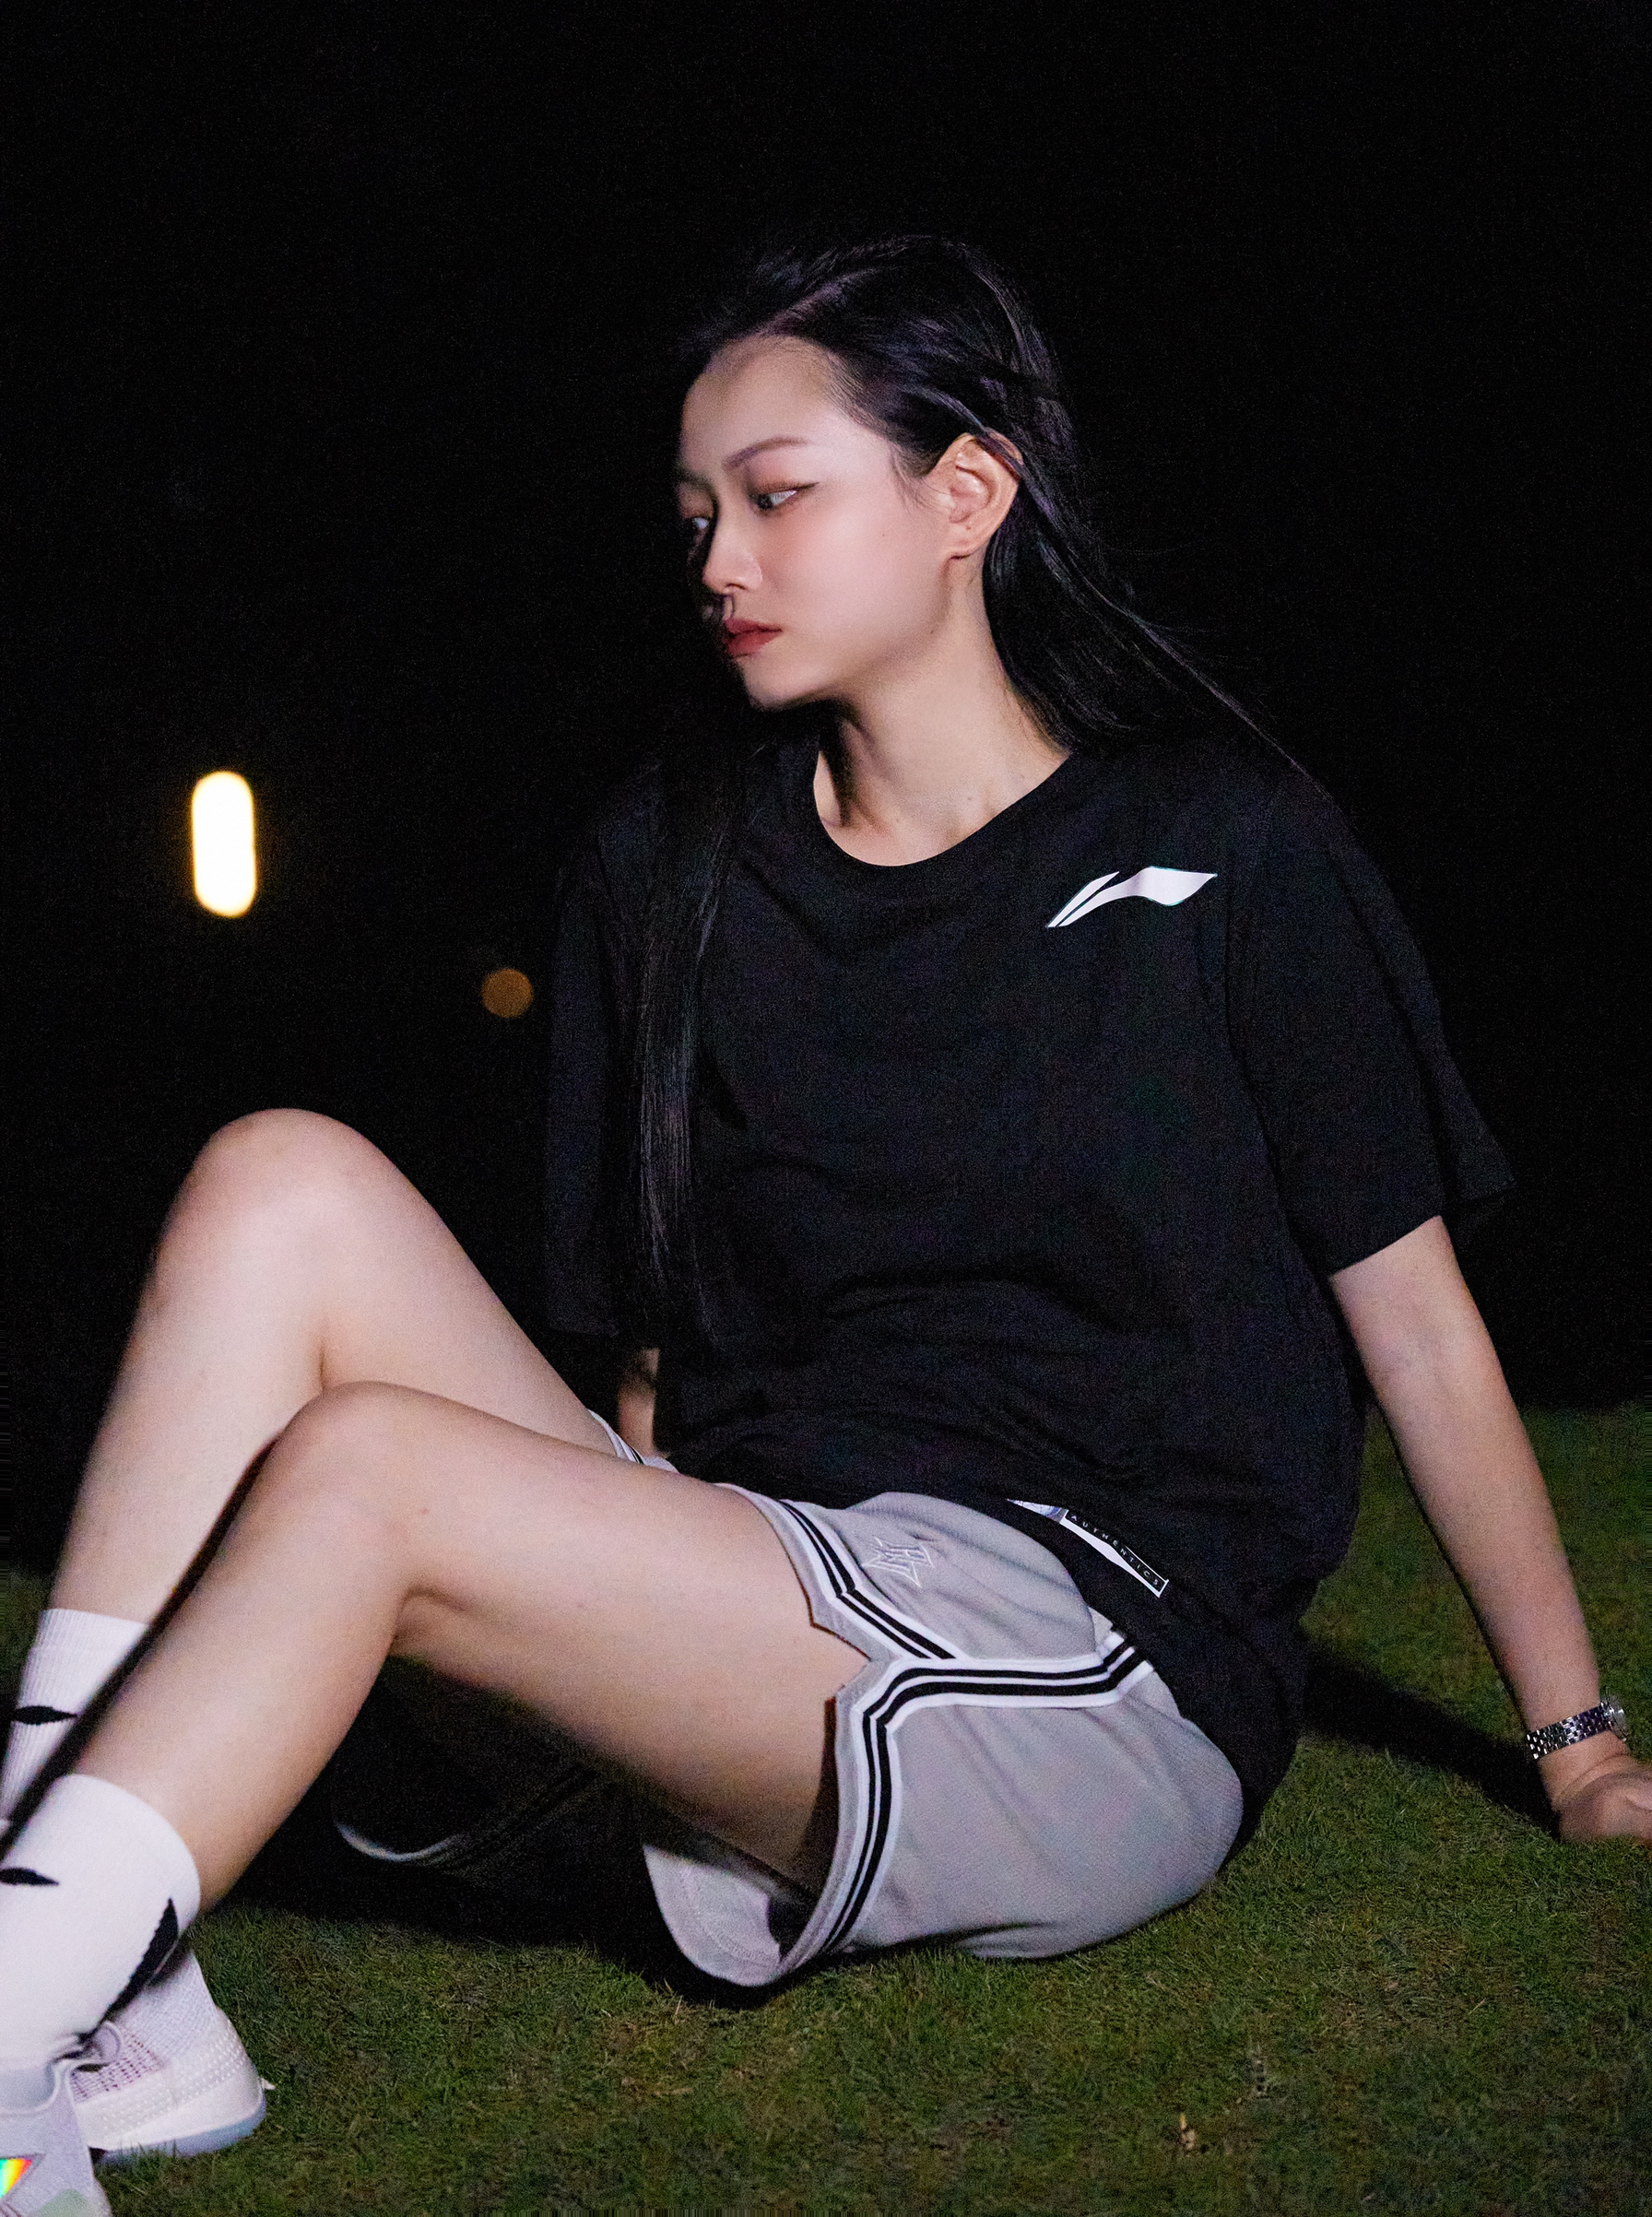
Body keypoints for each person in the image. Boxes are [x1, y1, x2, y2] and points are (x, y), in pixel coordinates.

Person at [2, 237, 1646, 2212]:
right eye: (697, 513)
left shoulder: (1220, 846)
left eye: (778, 496)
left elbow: (1418, 1328)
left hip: (1084, 1668)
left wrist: (1576, 1747)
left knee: (367, 1467)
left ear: (967, 495)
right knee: (275, 1174)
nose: (721, 560)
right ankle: (113, 2007)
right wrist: (608, 1601)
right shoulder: (670, 865)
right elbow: (649, 1370)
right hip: (756, 1608)